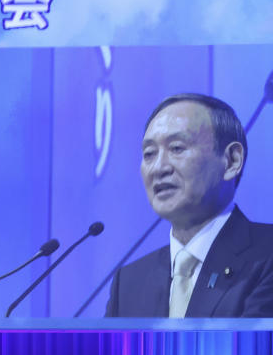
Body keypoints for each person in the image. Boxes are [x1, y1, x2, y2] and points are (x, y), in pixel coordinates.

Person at [106, 93, 273, 317]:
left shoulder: (267, 255)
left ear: (232, 161)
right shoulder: (129, 283)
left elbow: (253, 350)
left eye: (177, 148)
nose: (158, 168)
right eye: (149, 154)